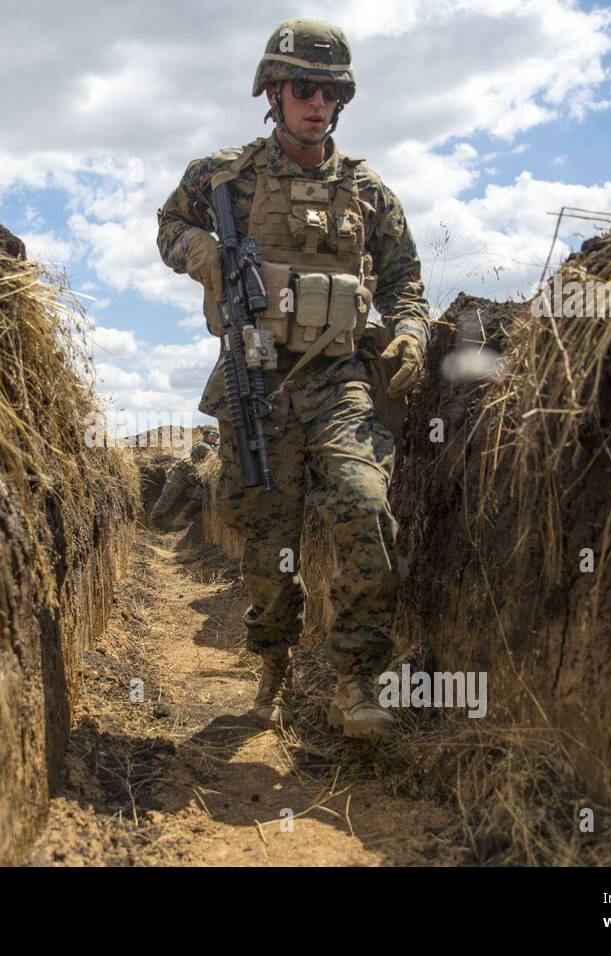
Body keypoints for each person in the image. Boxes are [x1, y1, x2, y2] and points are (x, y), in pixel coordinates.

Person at [155, 19, 431, 737]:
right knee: (267, 546)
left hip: (342, 379)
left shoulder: (371, 193)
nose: (316, 101)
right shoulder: (224, 178)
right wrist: (203, 253)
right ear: (273, 93)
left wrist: (409, 334)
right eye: (302, 87)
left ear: (342, 101)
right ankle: (272, 664)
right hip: (258, 378)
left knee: (367, 507)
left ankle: (357, 681)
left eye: (330, 90)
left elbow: (406, 283)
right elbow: (167, 230)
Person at [150, 429, 218, 531]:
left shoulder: (208, 446)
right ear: (205, 435)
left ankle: (180, 518)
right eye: (212, 434)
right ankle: (153, 523)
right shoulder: (203, 446)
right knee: (166, 500)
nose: (215, 437)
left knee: (201, 494)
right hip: (178, 476)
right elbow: (215, 457)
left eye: (217, 435)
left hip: (190, 479)